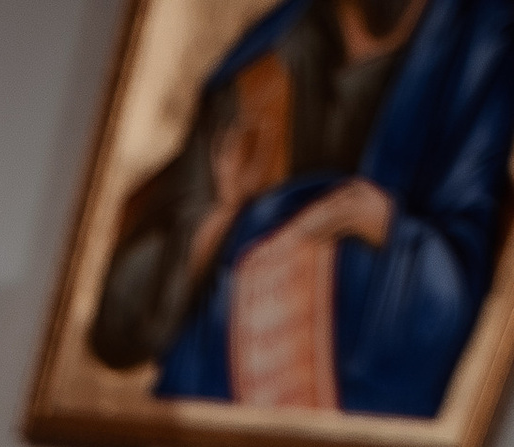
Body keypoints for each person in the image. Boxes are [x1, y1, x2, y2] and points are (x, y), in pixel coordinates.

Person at [90, 0, 514, 420]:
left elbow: (456, 291)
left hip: (358, 433)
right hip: (215, 412)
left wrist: (384, 224)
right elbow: (120, 327)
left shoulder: (479, 48)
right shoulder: (263, 65)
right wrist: (219, 222)